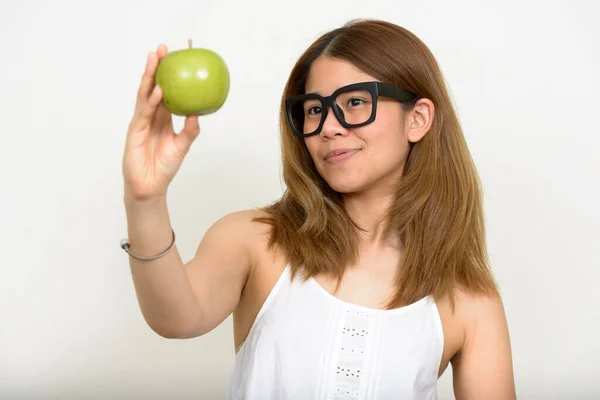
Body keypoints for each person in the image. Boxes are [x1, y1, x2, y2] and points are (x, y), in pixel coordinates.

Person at [121, 18, 516, 400]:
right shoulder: (254, 241)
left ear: (418, 119)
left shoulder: (469, 300)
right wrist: (145, 200)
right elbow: (174, 318)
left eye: (356, 102)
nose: (329, 126)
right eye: (314, 109)